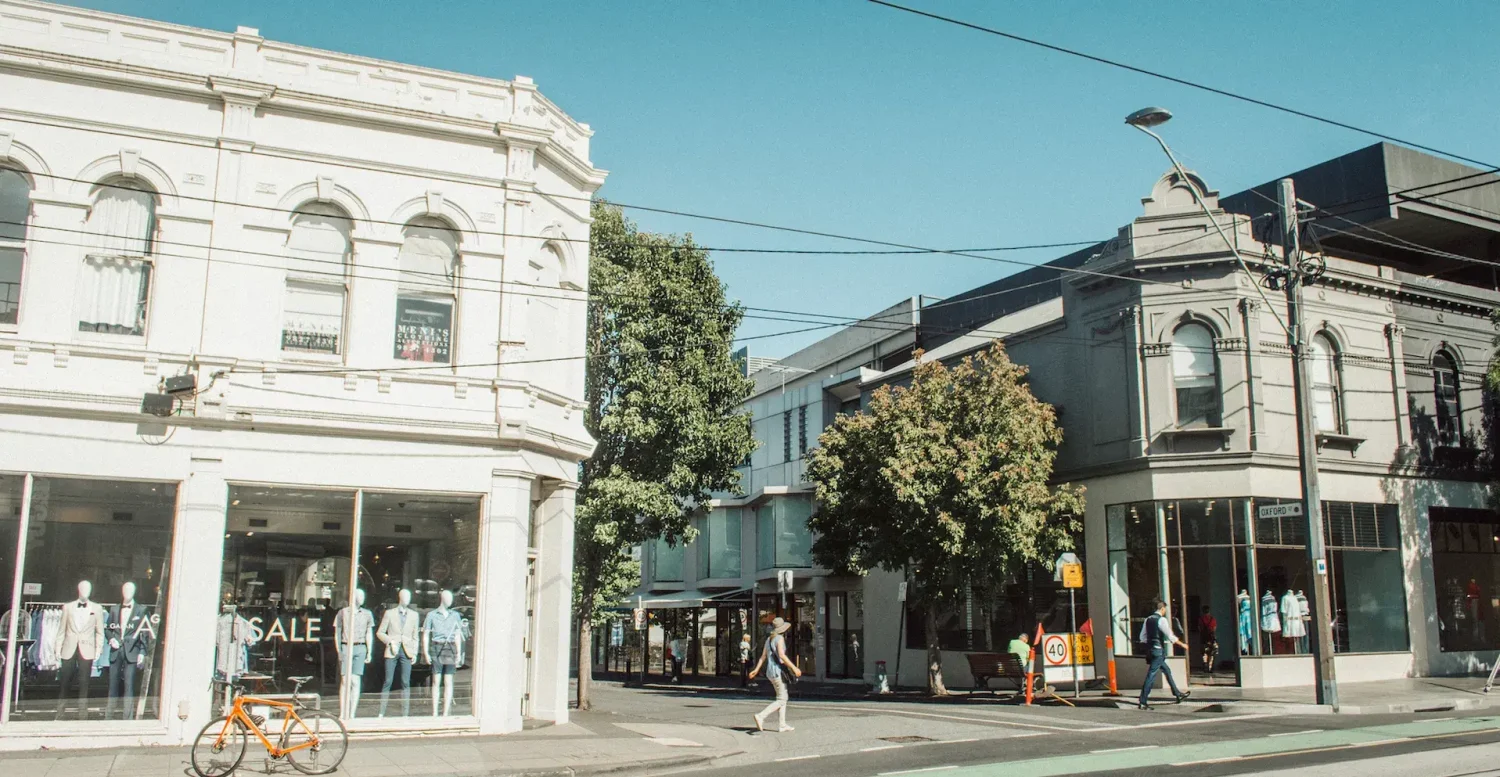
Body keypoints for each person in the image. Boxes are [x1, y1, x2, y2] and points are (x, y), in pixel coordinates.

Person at [747, 617, 801, 732]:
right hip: (777, 671)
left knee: (782, 697)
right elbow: (782, 655)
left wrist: (756, 670)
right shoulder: (779, 639)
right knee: (782, 699)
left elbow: (763, 657)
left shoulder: (769, 639)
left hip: (770, 672)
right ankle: (761, 716)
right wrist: (794, 667)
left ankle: (782, 725)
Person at [1138, 599, 1190, 710]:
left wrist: (1150, 644)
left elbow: (1142, 637)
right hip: (1158, 651)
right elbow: (1170, 636)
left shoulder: (1148, 619)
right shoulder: (1161, 620)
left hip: (1151, 651)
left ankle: (1177, 694)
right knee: (1151, 675)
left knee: (1167, 670)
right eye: (1165, 609)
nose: (1165, 611)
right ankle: (1143, 701)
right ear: (1162, 609)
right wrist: (1183, 645)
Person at [1197, 606, 1218, 672]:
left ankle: (1205, 665)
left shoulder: (1201, 619)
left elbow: (1199, 628)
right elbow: (1214, 629)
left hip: (1203, 638)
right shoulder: (1212, 619)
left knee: (1204, 652)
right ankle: (1210, 667)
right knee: (1212, 653)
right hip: (1211, 638)